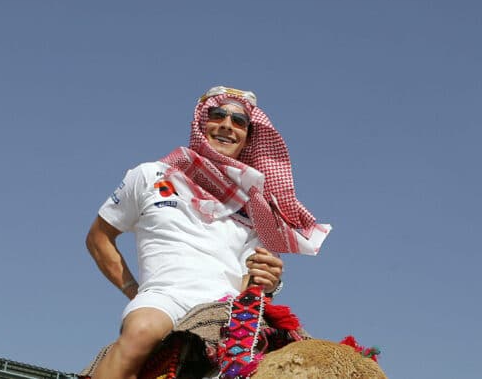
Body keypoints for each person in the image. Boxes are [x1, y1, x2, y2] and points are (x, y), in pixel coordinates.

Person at [85, 86, 331, 378]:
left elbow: (249, 278)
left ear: (248, 136)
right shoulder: (150, 175)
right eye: (218, 115)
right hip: (164, 296)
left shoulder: (256, 205)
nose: (227, 125)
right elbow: (99, 237)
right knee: (141, 332)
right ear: (202, 123)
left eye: (239, 122)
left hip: (225, 307)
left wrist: (267, 280)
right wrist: (134, 291)